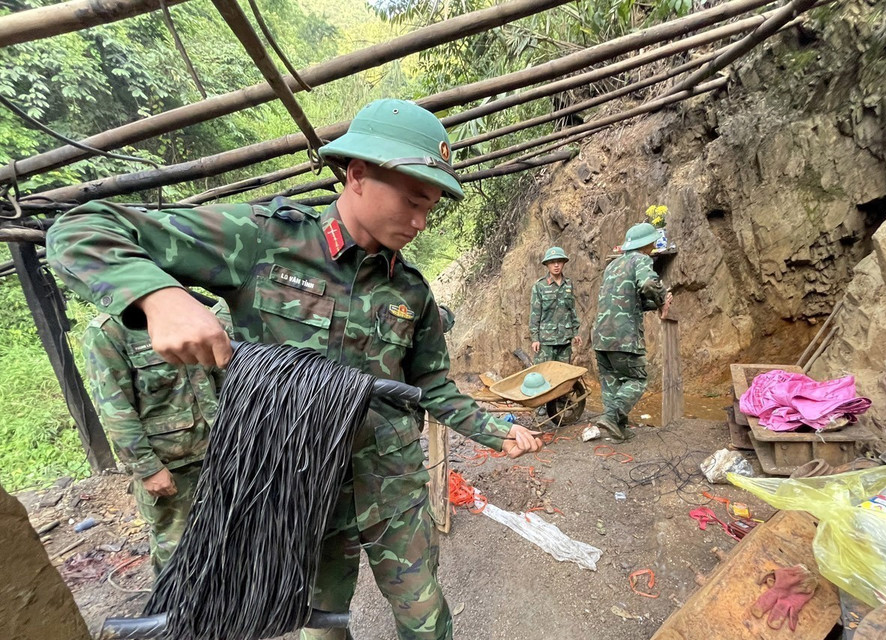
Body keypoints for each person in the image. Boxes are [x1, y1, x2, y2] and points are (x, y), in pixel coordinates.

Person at [46, 98, 542, 640]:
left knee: (425, 620)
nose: (421, 221)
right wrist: (159, 295)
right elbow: (81, 228)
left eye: (431, 208)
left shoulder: (411, 290)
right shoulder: (263, 239)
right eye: (412, 201)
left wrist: (497, 429)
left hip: (391, 487)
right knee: (318, 624)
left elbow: (432, 386)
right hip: (298, 490)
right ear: (357, 175)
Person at [81, 298, 232, 574]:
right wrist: (148, 468)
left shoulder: (192, 317)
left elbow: (221, 379)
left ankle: (227, 609)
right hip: (172, 464)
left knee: (228, 537)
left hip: (219, 452)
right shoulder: (108, 333)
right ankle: (179, 612)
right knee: (177, 548)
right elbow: (115, 409)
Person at [591, 223, 673, 441]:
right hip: (623, 336)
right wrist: (662, 300)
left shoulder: (613, 266)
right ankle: (610, 417)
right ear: (646, 244)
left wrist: (653, 304)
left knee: (611, 381)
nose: (655, 245)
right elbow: (647, 285)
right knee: (637, 380)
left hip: (600, 335)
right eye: (653, 242)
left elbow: (627, 301)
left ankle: (618, 428)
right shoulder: (641, 260)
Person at [529, 246, 581, 365]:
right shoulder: (540, 286)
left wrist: (575, 333)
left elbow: (572, 310)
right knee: (544, 374)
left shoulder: (568, 284)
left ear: (563, 263)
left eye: (559, 262)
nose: (556, 265)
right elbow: (535, 314)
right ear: (547, 265)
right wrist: (535, 339)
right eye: (552, 262)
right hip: (546, 341)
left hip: (565, 340)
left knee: (563, 375)